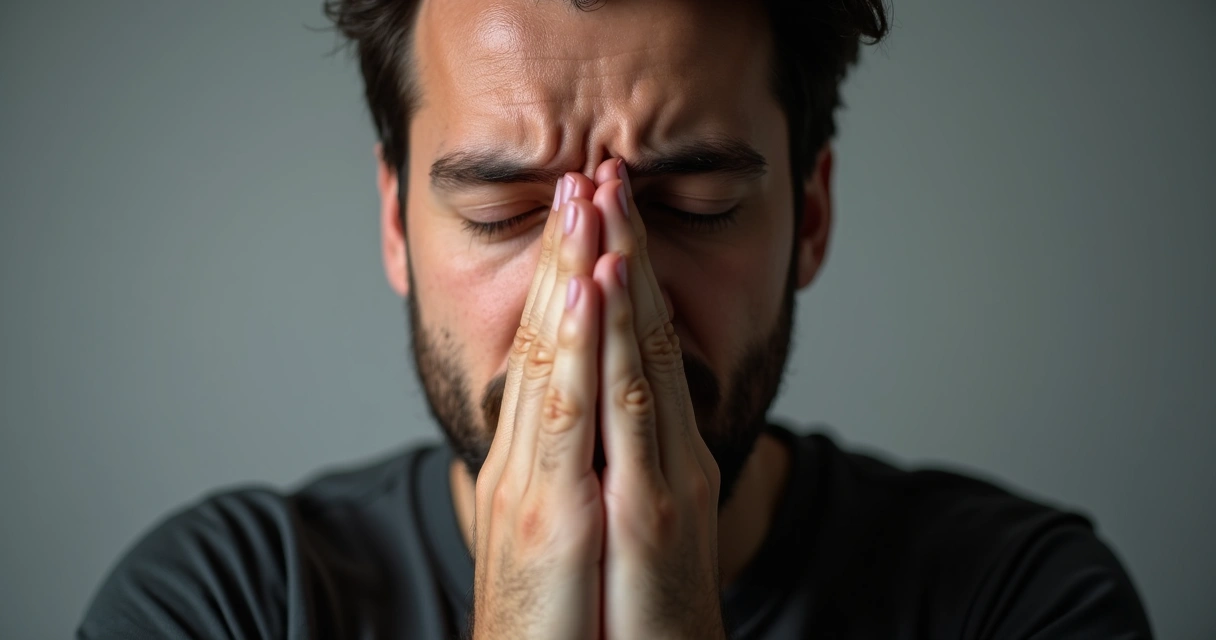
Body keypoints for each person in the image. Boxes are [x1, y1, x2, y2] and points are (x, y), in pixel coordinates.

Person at [78, 0, 1153, 638]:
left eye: (691, 205)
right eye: (502, 211)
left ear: (810, 216)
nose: (592, 283)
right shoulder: (222, 605)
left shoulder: (1016, 602)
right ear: (398, 223)